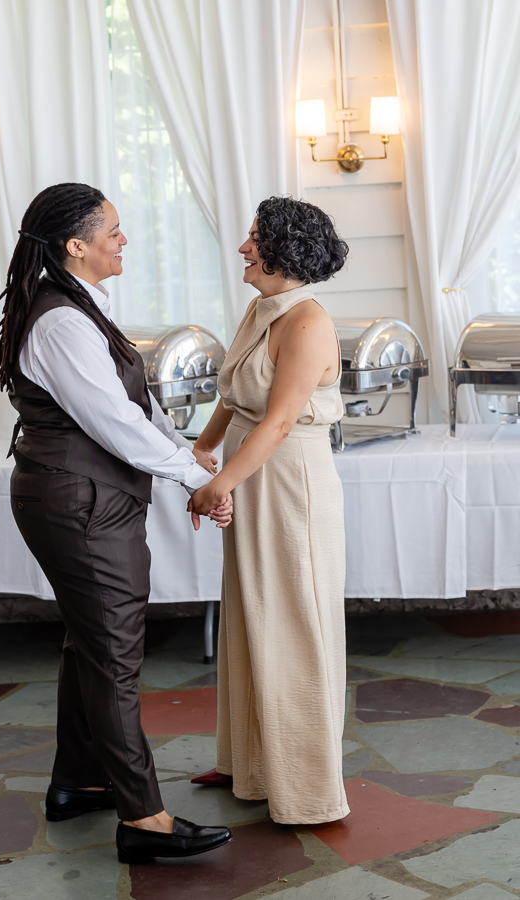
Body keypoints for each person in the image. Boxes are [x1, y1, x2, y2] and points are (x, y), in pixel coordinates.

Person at [0, 182, 233, 863]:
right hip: (82, 503)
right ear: (77, 245)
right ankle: (144, 820)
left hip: (86, 498)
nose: (124, 239)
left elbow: (138, 406)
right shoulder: (64, 322)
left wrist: (189, 457)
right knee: (114, 657)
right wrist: (198, 479)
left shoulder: (79, 305)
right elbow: (115, 424)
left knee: (91, 645)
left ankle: (79, 781)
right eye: (113, 231)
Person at [188, 196, 350, 825]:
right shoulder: (261, 308)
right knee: (249, 611)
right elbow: (236, 393)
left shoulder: (307, 321)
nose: (242, 248)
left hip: (289, 484)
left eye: (254, 237)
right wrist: (204, 448)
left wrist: (220, 484)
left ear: (286, 249)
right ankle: (249, 765)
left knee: (293, 621)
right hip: (251, 473)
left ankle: (306, 790)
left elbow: (280, 421)